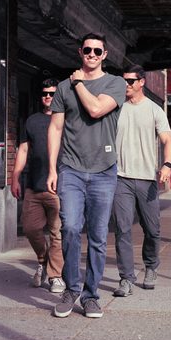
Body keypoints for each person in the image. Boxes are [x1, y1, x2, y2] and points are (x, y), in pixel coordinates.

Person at [47, 33, 126, 319]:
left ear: (104, 55)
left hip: (104, 170)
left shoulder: (115, 83)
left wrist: (78, 82)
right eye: (87, 50)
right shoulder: (61, 89)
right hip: (71, 169)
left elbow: (95, 109)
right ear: (80, 52)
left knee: (97, 235)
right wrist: (53, 168)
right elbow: (55, 128)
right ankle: (71, 289)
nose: (91, 55)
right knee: (69, 227)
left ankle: (91, 295)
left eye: (97, 51)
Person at [111, 65, 171, 297]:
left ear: (141, 82)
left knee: (152, 229)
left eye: (130, 81)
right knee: (122, 229)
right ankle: (126, 278)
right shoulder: (117, 108)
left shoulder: (155, 110)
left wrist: (166, 165)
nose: (126, 85)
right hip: (121, 178)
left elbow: (167, 141)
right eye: (123, 81)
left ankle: (150, 267)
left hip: (147, 179)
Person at [10, 79, 64, 293]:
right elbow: (23, 150)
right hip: (33, 185)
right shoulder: (32, 121)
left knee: (56, 233)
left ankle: (56, 276)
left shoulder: (65, 120)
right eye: (44, 94)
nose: (48, 97)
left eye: (52, 93)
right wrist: (15, 176)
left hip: (58, 187)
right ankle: (42, 260)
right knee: (31, 228)